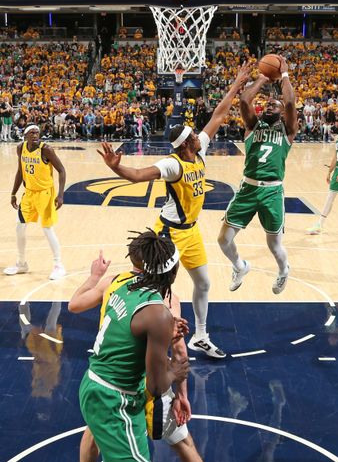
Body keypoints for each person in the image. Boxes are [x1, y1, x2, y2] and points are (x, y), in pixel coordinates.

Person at [97, 63, 252, 359]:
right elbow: (140, 175)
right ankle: (130, 326)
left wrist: (236, 85)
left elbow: (218, 115)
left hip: (191, 232)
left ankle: (201, 336)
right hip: (169, 234)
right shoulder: (173, 164)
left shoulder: (198, 150)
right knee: (153, 286)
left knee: (203, 283)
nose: (200, 135)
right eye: (195, 135)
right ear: (186, 144)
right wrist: (117, 167)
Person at [69, 247, 211, 462]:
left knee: (98, 437)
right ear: (171, 271)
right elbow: (178, 355)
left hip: (101, 376)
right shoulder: (165, 304)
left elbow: (74, 305)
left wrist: (94, 277)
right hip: (133, 387)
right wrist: (181, 392)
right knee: (174, 447)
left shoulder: (117, 282)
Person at [218, 58, 297, 294]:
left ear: (282, 113)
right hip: (248, 189)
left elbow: (291, 102)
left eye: (275, 105)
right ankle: (239, 266)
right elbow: (244, 99)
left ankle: (283, 270)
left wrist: (283, 76)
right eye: (267, 104)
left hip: (272, 191)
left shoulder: (288, 131)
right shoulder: (252, 125)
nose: (270, 106)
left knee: (274, 245)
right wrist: (263, 76)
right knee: (223, 239)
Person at [3, 124, 67, 280]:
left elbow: (62, 170)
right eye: (31, 133)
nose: (35, 135)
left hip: (45, 194)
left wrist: (60, 195)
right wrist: (13, 193)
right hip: (29, 194)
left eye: (37, 132)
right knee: (20, 227)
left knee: (47, 229)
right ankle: (21, 263)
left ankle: (59, 265)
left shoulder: (46, 150)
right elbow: (20, 171)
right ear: (25, 135)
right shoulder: (21, 148)